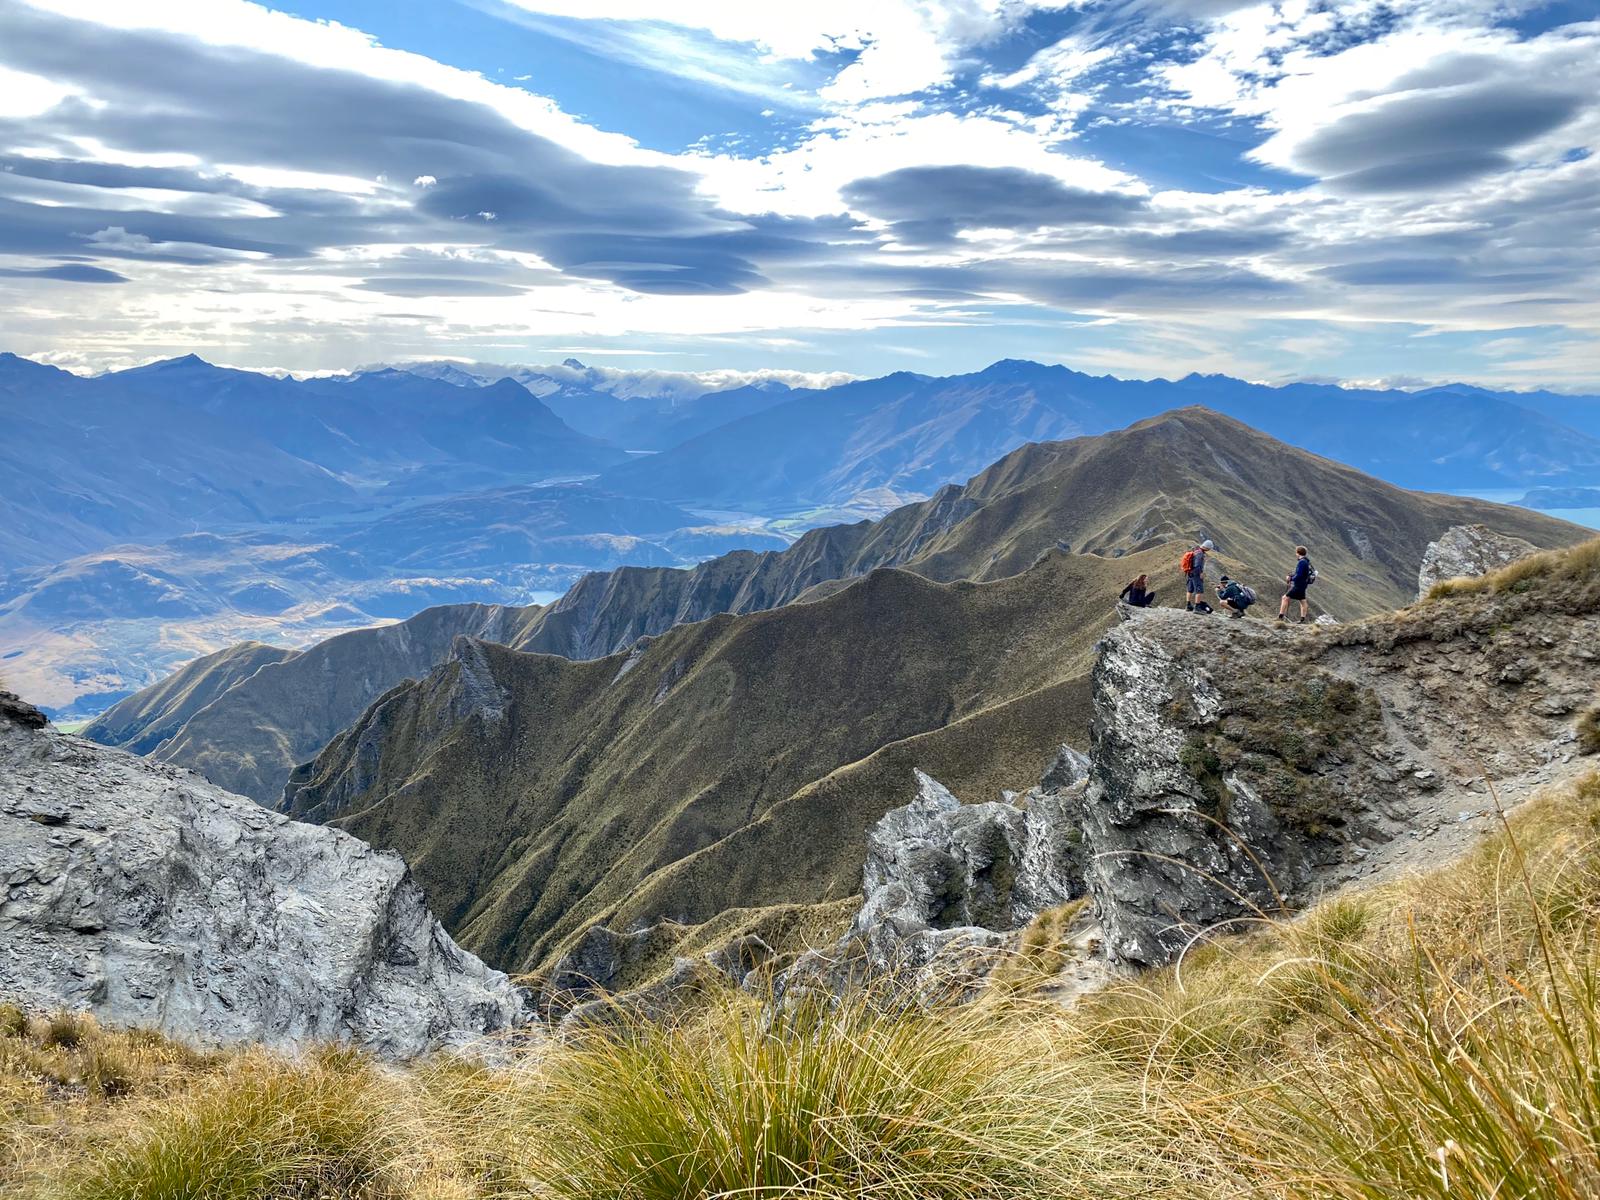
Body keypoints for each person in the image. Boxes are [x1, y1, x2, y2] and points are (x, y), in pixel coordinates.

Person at [1278, 546, 1314, 623]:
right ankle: (1302, 619)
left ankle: (1280, 617)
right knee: (1303, 601)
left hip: (1298, 585)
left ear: (1298, 553)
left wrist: (1290, 578)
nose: (1296, 554)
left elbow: (1299, 575)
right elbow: (1301, 574)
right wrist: (1292, 576)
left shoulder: (1301, 562)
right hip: (1303, 585)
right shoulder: (1306, 562)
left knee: (1285, 598)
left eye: (1296, 552)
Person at [1182, 539, 1214, 611]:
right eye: (1209, 548)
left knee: (1190, 589)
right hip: (1196, 574)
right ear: (1207, 547)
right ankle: (1197, 607)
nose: (1209, 550)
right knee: (1199, 590)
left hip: (1189, 573)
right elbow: (1197, 565)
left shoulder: (1195, 550)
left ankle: (1188, 605)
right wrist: (1201, 573)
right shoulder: (1200, 554)